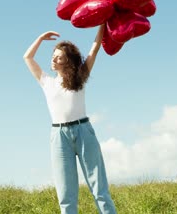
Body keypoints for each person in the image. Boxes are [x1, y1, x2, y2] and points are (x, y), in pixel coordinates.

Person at [23, 24, 117, 214]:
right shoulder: (46, 81)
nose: (54, 59)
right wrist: (41, 38)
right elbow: (28, 57)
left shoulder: (80, 76)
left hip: (84, 131)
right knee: (66, 194)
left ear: (68, 61)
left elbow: (95, 48)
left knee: (99, 189)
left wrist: (102, 22)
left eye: (59, 57)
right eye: (53, 56)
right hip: (59, 136)